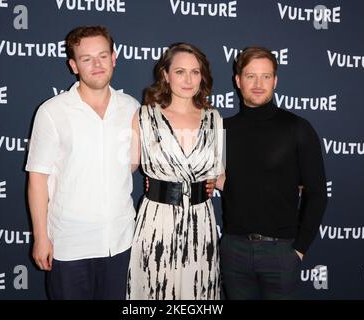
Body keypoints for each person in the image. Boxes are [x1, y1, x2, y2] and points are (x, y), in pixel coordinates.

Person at [25, 26, 140, 299]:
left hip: (120, 242)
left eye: (103, 55)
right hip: (69, 245)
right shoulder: (52, 111)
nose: (97, 64)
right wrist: (41, 237)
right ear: (74, 65)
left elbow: (131, 165)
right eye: (87, 59)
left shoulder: (132, 107)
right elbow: (37, 178)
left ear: (114, 57)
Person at [217, 46, 328, 299]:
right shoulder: (221, 129)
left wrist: (299, 250)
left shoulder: (297, 128)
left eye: (266, 76)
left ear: (275, 81)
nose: (258, 83)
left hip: (281, 252)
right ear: (238, 80)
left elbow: (318, 194)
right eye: (250, 76)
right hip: (234, 251)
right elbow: (214, 179)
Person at [126, 43, 223, 300]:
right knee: (156, 289)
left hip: (201, 223)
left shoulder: (214, 118)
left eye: (195, 71)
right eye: (180, 71)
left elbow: (220, 174)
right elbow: (124, 167)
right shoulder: (144, 116)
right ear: (166, 76)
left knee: (196, 292)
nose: (188, 79)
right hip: (157, 221)